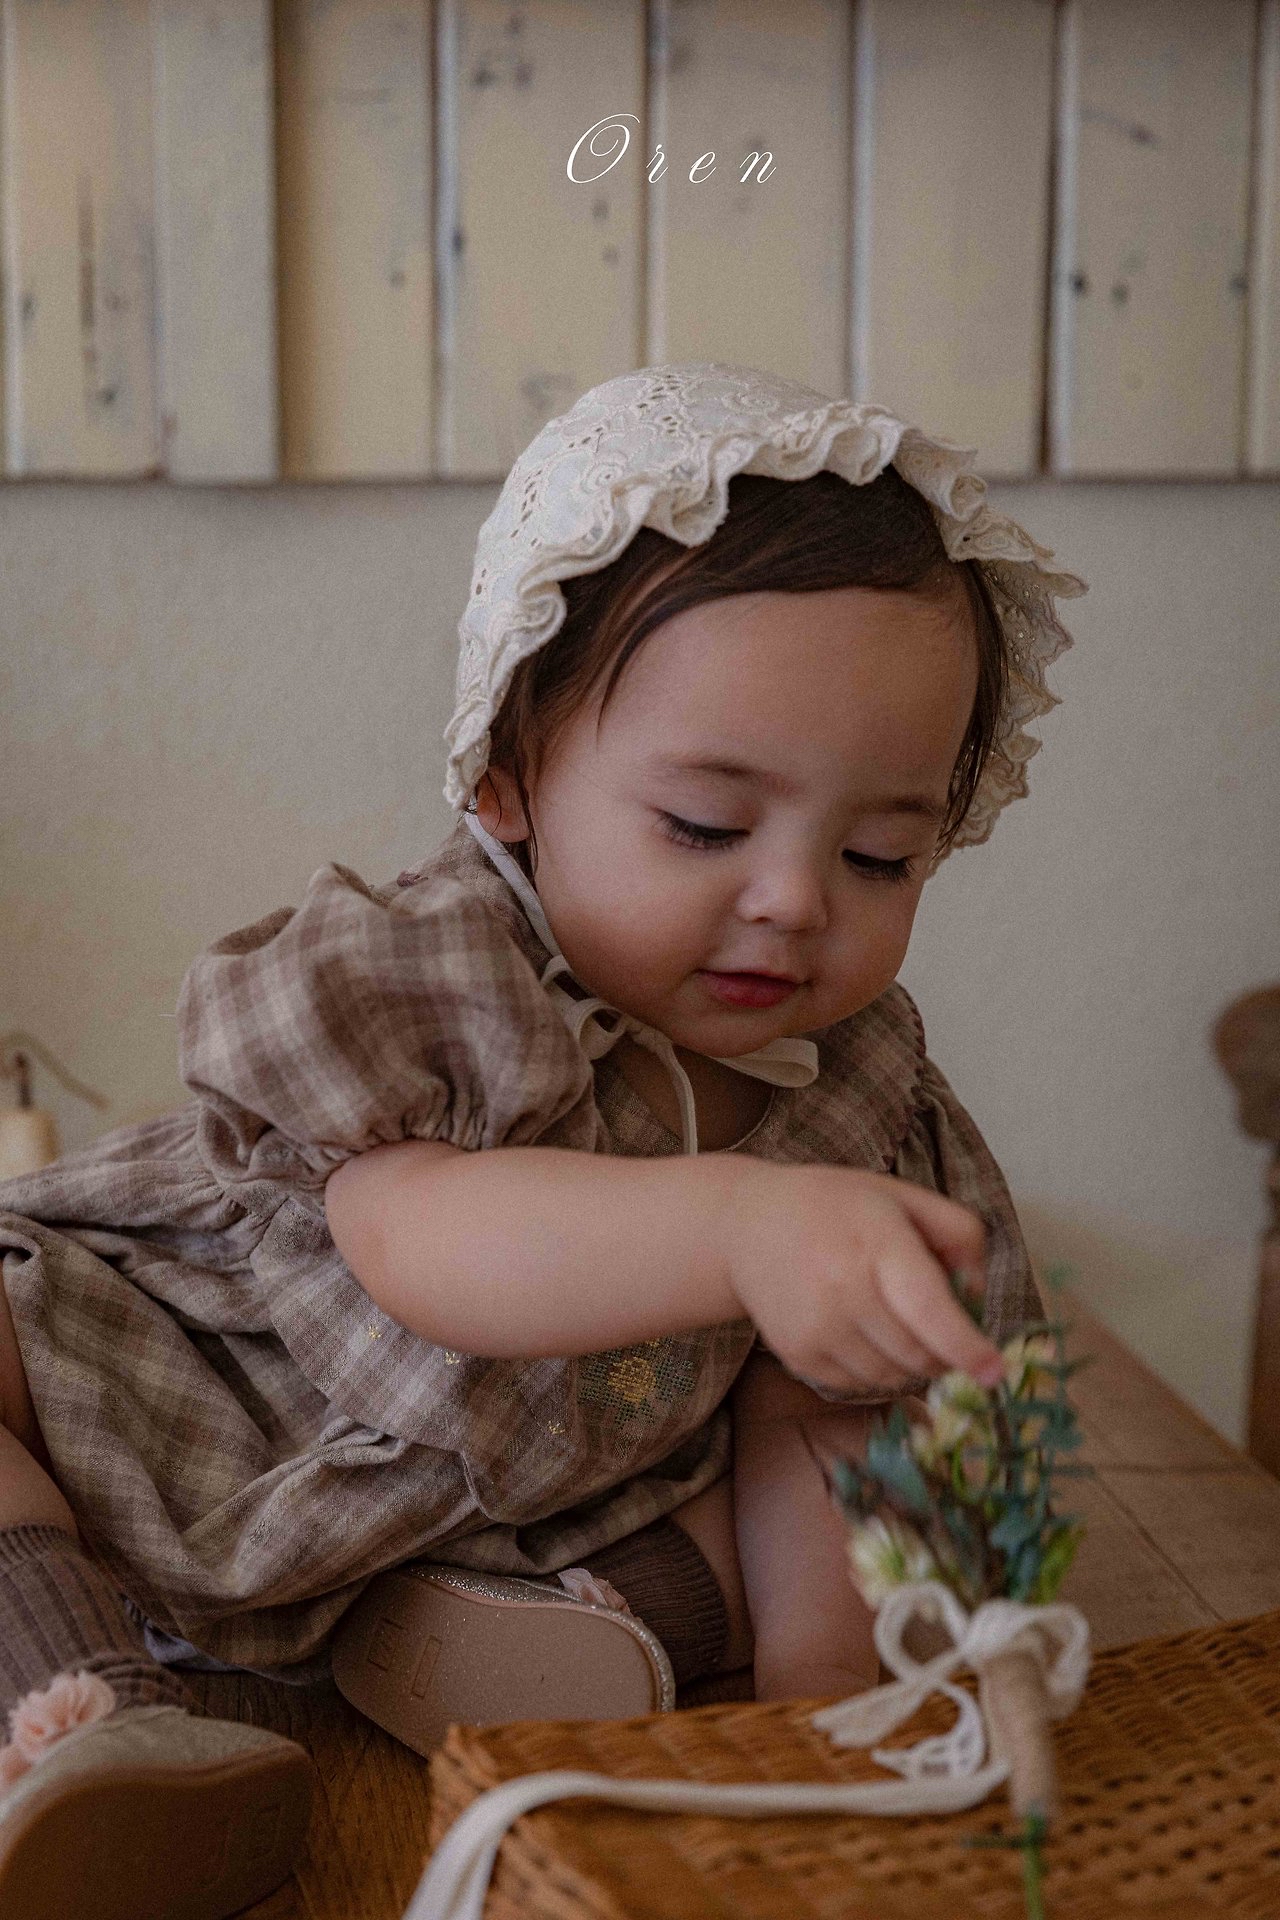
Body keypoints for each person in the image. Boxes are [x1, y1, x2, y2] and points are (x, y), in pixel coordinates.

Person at [0, 362, 1085, 1915]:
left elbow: (829, 1432)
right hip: (214, 1387)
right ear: (507, 773)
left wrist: (832, 1720)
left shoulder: (859, 1100)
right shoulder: (437, 977)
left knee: (850, 1504)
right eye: (705, 826)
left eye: (879, 854)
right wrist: (740, 1226)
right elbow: (421, 1248)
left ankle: (561, 1631)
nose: (794, 900)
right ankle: (82, 1713)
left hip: (533, 1519)